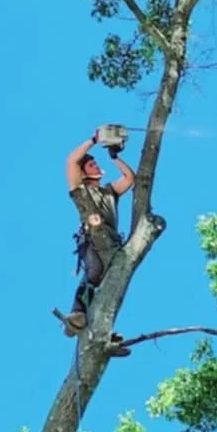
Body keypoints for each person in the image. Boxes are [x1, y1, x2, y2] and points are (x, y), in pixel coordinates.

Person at [64, 130, 136, 336]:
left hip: (113, 244)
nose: (96, 165)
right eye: (91, 165)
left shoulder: (109, 191)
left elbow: (129, 178)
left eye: (95, 163)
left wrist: (114, 157)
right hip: (94, 240)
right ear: (84, 173)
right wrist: (94, 140)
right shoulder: (80, 190)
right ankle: (77, 313)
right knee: (93, 272)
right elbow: (71, 161)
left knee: (112, 287)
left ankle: (102, 330)